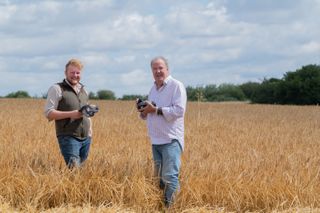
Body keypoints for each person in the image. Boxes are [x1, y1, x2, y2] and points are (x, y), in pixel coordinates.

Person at [137, 56, 187, 207]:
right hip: (156, 140)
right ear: (151, 71)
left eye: (161, 68)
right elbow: (150, 113)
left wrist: (156, 110)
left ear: (167, 69)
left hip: (171, 139)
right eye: (155, 69)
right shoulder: (153, 89)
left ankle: (170, 208)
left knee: (169, 176)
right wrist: (143, 111)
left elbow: (179, 111)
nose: (158, 71)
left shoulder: (176, 86)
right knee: (159, 178)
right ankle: (161, 206)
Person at [44, 59, 93, 168]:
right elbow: (49, 113)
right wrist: (72, 114)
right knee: (74, 170)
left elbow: (86, 113)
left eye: (78, 73)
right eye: (72, 72)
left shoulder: (84, 90)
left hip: (86, 138)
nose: (75, 75)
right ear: (66, 73)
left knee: (81, 171)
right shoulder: (56, 89)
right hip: (68, 136)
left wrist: (90, 131)